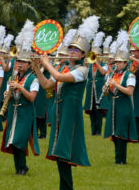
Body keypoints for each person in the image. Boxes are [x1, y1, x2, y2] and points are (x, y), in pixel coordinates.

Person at [34, 16, 97, 190]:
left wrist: (47, 64)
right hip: (59, 112)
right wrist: (36, 67)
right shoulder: (63, 67)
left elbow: (60, 78)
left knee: (63, 151)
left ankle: (67, 187)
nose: (72, 52)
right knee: (59, 152)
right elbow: (47, 85)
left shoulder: (83, 70)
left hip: (71, 113)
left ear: (83, 54)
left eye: (76, 50)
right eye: (70, 48)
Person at [1, 47, 40, 175]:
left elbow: (32, 98)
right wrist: (7, 94)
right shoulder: (13, 77)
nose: (20, 64)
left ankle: (23, 167)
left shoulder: (33, 79)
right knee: (12, 140)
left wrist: (20, 88)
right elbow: (9, 95)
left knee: (19, 140)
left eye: (23, 62)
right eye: (18, 61)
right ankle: (19, 168)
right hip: (13, 112)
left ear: (29, 65)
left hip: (25, 113)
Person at [103, 39, 137, 164]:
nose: (116, 64)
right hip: (113, 106)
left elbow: (129, 92)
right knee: (114, 132)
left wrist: (116, 85)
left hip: (124, 107)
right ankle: (117, 158)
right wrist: (105, 90)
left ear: (125, 63)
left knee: (121, 133)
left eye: (119, 62)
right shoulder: (110, 75)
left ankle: (122, 159)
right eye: (116, 62)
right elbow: (107, 93)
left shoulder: (130, 75)